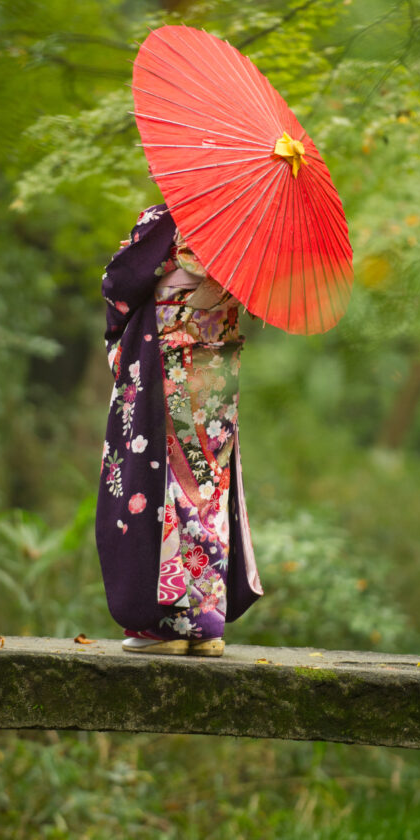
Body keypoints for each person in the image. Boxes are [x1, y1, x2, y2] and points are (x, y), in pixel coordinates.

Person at [95, 203, 262, 657]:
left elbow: (119, 284)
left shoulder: (168, 218)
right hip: (219, 370)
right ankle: (206, 623)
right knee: (208, 488)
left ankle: (166, 625)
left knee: (165, 484)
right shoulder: (244, 222)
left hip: (169, 364)